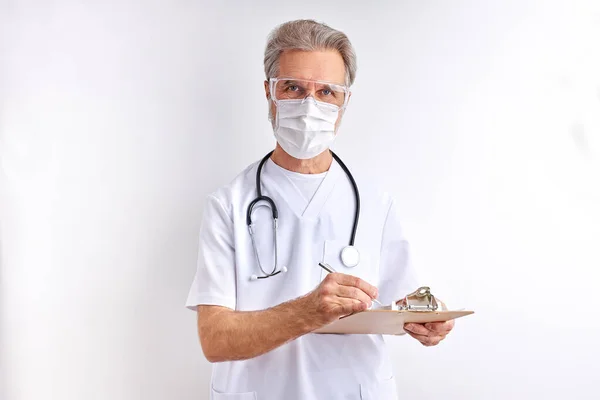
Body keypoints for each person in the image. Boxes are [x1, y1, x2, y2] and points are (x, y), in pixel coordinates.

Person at [186, 19, 455, 400]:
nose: (310, 105)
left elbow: (405, 303)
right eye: (293, 87)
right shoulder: (228, 205)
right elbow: (215, 339)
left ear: (344, 101)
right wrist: (308, 311)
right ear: (269, 92)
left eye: (327, 91)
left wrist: (427, 322)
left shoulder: (376, 203)